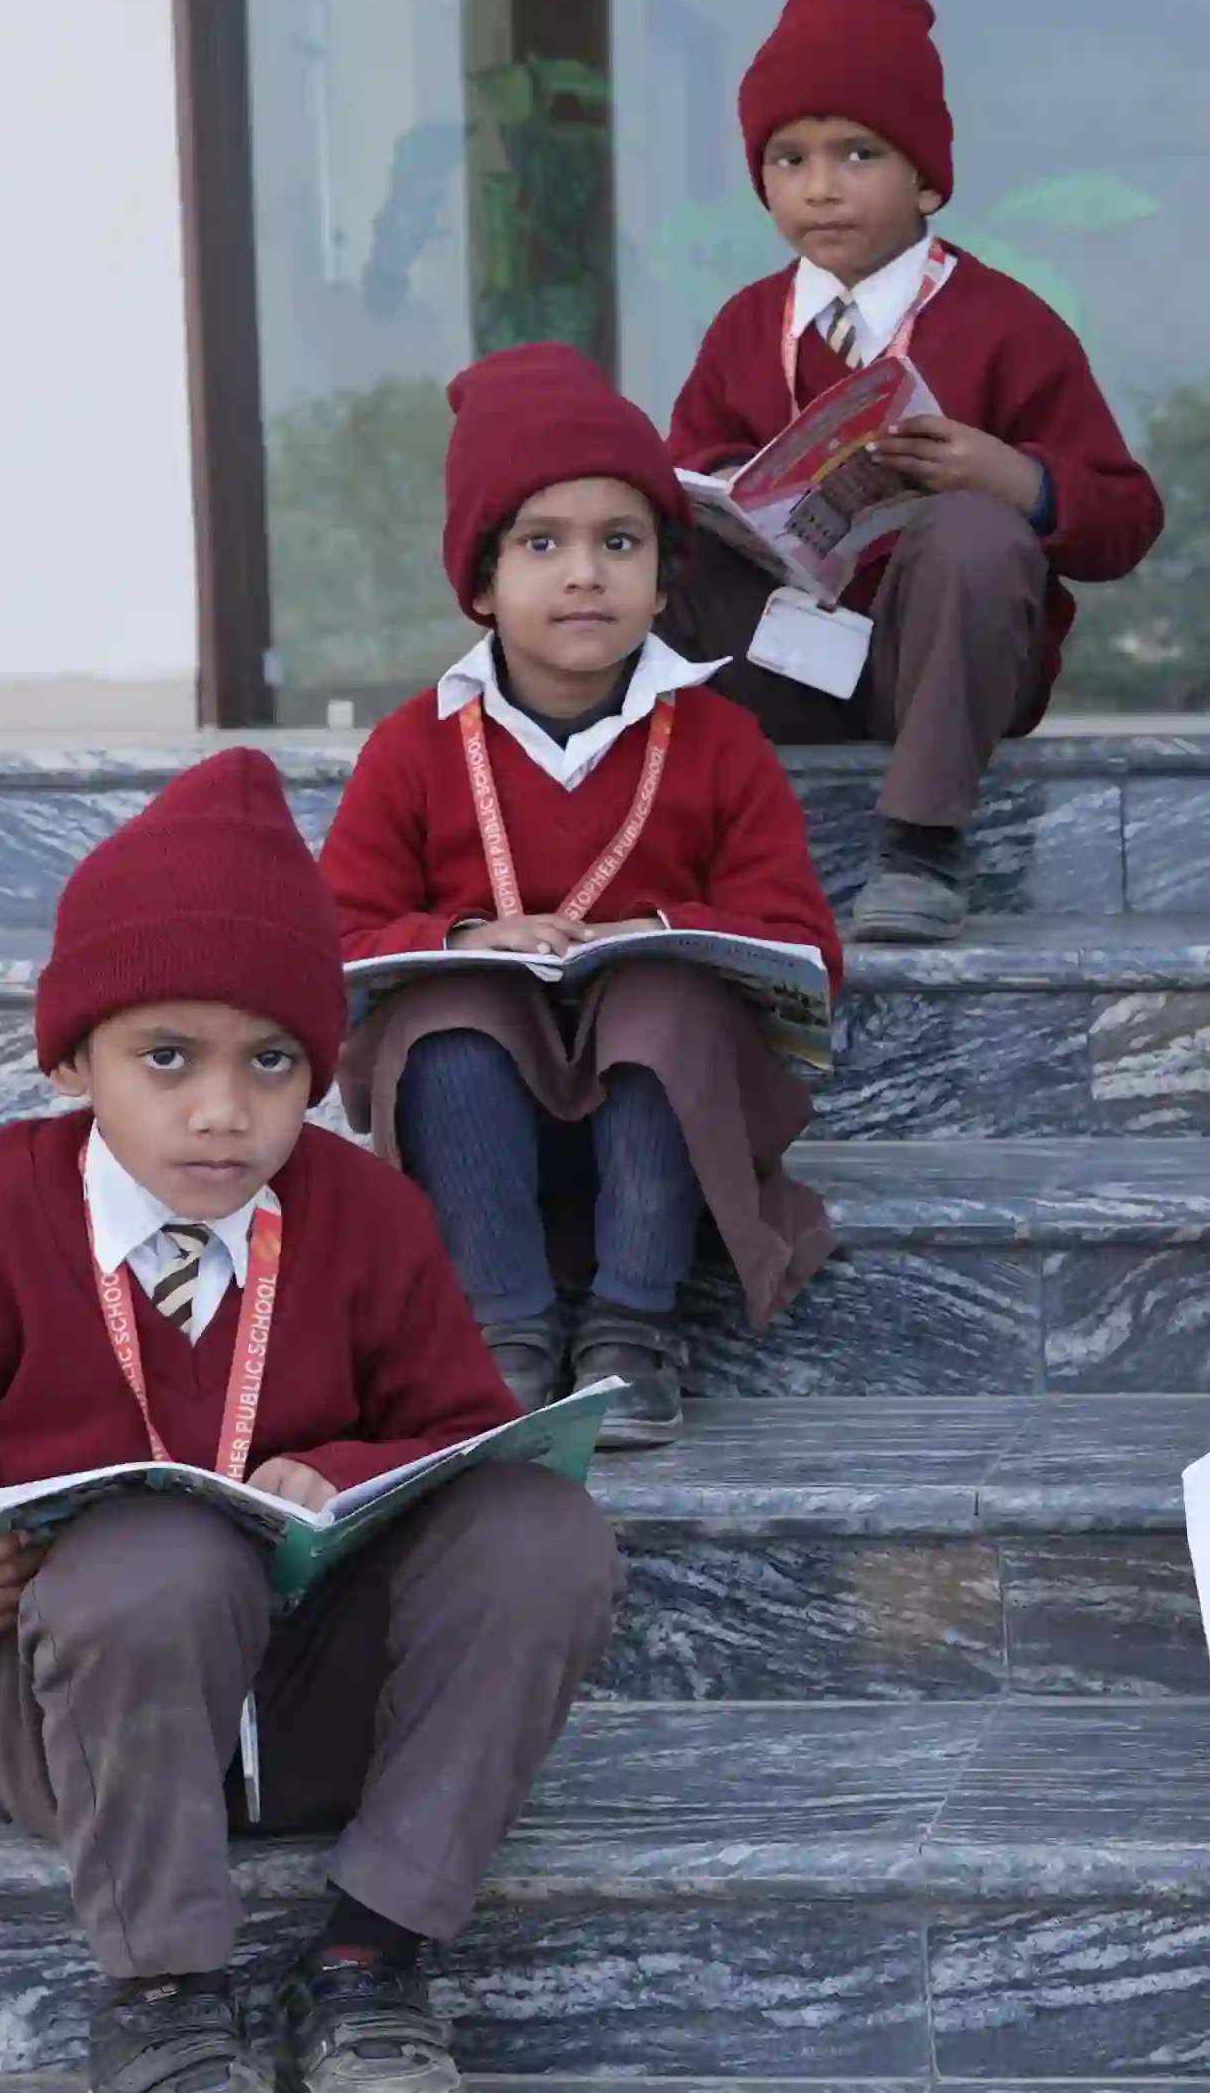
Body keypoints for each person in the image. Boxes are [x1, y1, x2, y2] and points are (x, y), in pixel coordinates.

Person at [0, 752, 621, 2093]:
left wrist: (346, 1472)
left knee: (545, 1530)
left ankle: (368, 1973)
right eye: (168, 1057)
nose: (223, 1113)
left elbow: (466, 1433)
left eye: (273, 1063)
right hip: (78, 1726)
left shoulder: (365, 1214)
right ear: (71, 1063)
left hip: (317, 1718)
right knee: (155, 1551)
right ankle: (163, 2008)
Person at [322, 343, 843, 1443]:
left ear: (663, 581)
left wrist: (658, 934)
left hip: (661, 1108)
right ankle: (501, 1329)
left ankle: (631, 1329)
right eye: (540, 544)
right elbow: (336, 936)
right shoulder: (414, 747)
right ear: (479, 580)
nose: (583, 575)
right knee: (454, 1018)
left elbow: (800, 939)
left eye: (620, 544)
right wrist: (465, 935)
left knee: (661, 1001)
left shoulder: (718, 741)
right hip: (473, 1114)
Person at [659, 0, 1165, 943]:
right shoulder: (744, 326)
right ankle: (665, 826)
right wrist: (731, 496)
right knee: (644, 538)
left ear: (928, 180)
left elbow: (1126, 519)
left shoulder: (1004, 323)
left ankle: (922, 846)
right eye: (788, 158)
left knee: (974, 530)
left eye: (860, 153)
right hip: (783, 655)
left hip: (934, 671)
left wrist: (1015, 478)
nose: (822, 184)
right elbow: (692, 460)